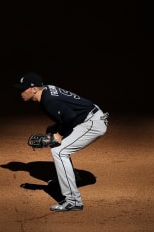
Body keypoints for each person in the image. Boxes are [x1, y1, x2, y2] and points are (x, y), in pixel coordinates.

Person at [14, 72, 109, 212]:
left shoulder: (48, 100)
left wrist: (59, 134)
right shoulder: (46, 90)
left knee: (59, 151)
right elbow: (67, 114)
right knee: (57, 144)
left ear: (34, 89)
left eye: (23, 89)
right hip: (87, 117)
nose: (20, 92)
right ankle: (73, 178)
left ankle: (73, 201)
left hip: (92, 123)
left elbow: (70, 116)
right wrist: (55, 129)